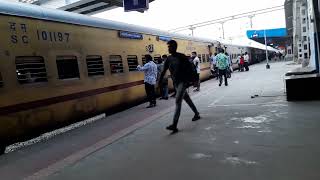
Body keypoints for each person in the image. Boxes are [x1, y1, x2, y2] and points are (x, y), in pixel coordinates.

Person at [159, 40, 200, 133]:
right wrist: (160, 81)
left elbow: (190, 68)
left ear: (175, 47)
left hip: (183, 82)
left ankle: (174, 125)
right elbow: (163, 70)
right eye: (168, 47)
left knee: (178, 101)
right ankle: (196, 114)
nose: (168, 48)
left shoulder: (181, 57)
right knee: (187, 99)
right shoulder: (168, 59)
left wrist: (192, 80)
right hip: (176, 83)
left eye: (170, 47)